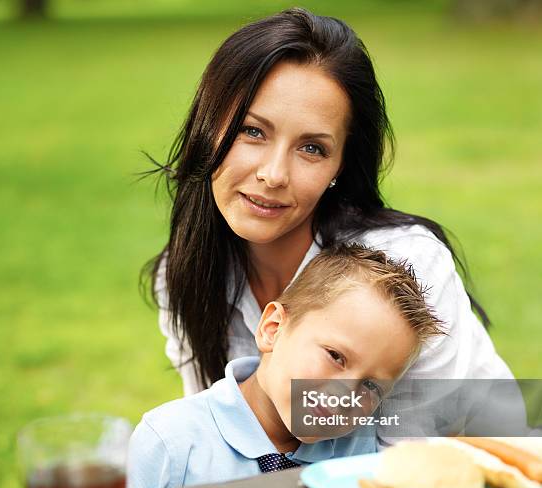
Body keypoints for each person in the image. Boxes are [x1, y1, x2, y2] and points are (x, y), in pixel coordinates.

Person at [140, 8, 516, 445]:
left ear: (339, 165)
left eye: (313, 148)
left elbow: (411, 467)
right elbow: (211, 440)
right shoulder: (185, 273)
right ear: (208, 128)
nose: (274, 174)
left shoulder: (406, 268)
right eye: (253, 132)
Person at [128, 245, 444, 488]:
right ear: (273, 328)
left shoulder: (363, 454)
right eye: (335, 356)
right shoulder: (170, 442)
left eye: (372, 387)